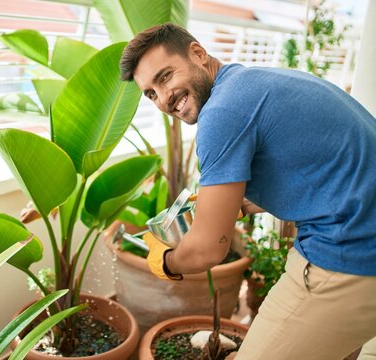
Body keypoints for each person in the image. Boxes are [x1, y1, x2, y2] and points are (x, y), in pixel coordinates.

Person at [120, 23, 376, 359]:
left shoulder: (222, 112)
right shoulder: (251, 84)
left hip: (352, 254)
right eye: (151, 93)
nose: (164, 99)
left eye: (165, 76)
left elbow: (210, 250)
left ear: (198, 53)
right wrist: (236, 203)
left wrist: (166, 261)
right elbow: (313, 166)